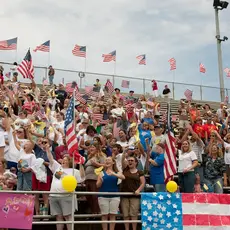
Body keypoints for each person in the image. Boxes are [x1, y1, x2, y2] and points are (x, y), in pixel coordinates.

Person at [46, 143, 85, 230]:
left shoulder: (74, 171)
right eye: (63, 159)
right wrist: (48, 150)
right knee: (58, 217)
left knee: (68, 217)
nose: (63, 161)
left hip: (67, 196)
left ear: (70, 161)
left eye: (66, 159)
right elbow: (51, 159)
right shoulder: (57, 168)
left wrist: (81, 164)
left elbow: (82, 177)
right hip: (54, 196)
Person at [96, 157, 125, 230]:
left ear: (113, 162)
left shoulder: (117, 172)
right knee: (104, 215)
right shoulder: (101, 173)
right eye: (106, 160)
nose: (107, 161)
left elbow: (123, 177)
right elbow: (97, 185)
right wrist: (101, 180)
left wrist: (113, 174)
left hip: (114, 197)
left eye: (109, 160)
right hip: (103, 196)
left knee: (113, 215)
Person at [121, 154, 145, 230]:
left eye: (132, 160)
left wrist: (138, 190)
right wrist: (124, 152)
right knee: (125, 215)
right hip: (124, 195)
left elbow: (143, 183)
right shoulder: (125, 170)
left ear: (136, 162)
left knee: (134, 214)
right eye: (129, 160)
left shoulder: (140, 172)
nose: (130, 162)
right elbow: (122, 160)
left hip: (135, 196)